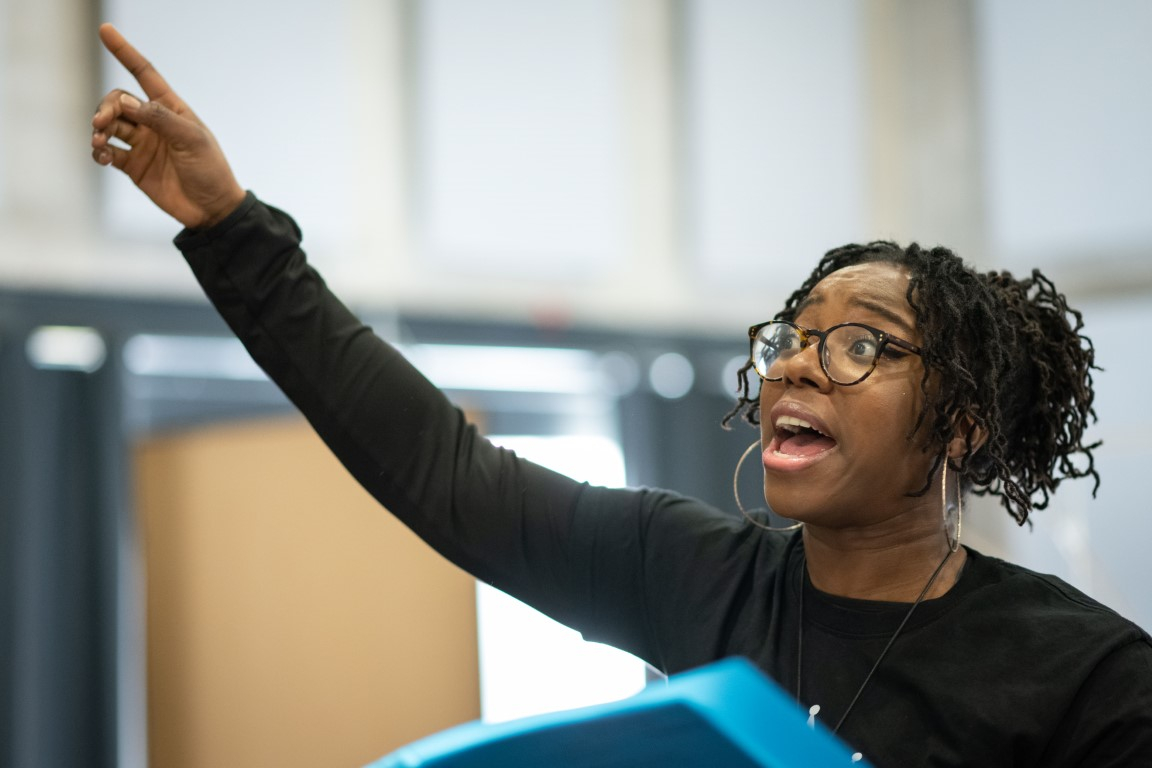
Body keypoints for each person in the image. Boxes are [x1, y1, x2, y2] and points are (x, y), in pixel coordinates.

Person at [91, 22, 1152, 767]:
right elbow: (439, 470)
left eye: (863, 346)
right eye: (795, 335)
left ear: (960, 424)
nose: (795, 363)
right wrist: (230, 227)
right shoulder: (689, 574)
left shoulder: (1089, 679)